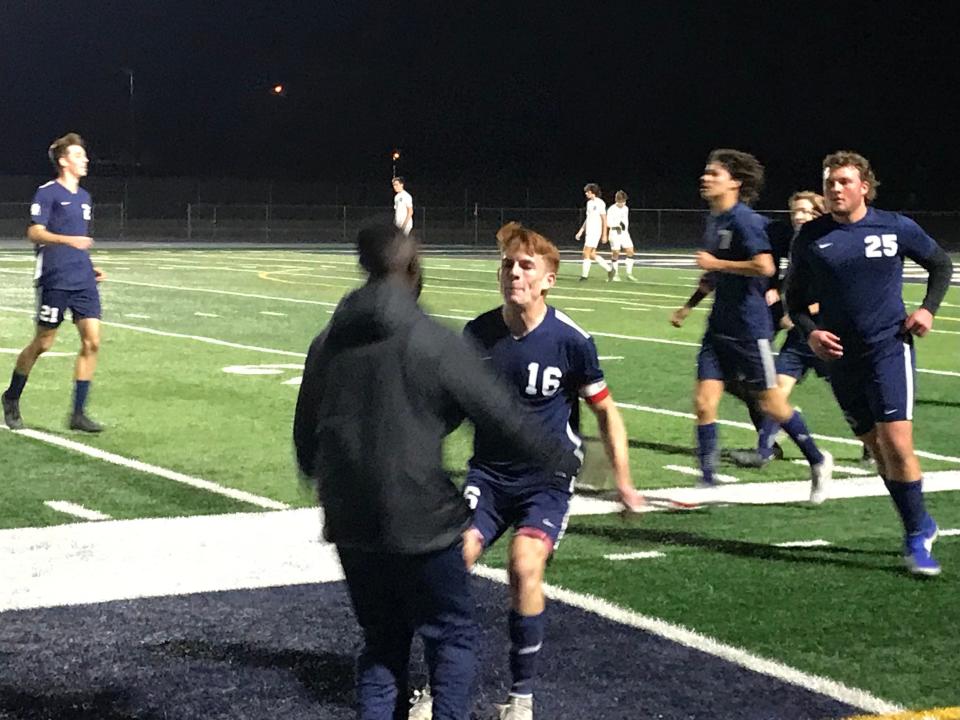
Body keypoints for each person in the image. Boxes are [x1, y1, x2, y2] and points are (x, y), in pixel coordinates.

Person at [293, 226, 581, 720]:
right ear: (412, 269)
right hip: (419, 518)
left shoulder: (329, 339)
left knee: (382, 645)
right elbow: (501, 416)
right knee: (452, 635)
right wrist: (566, 461)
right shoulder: (431, 339)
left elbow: (305, 440)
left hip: (350, 520)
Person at [467, 221, 642, 720]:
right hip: (488, 477)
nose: (514, 273)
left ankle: (519, 698)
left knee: (524, 567)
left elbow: (607, 411)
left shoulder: (571, 342)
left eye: (526, 266)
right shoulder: (477, 334)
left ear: (549, 280)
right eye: (507, 265)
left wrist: (623, 481)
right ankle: (440, 683)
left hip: (545, 483)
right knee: (450, 563)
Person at [785, 151, 954, 576]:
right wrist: (811, 332)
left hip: (889, 347)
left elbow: (939, 263)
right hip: (841, 358)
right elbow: (795, 299)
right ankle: (919, 521)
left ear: (864, 187)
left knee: (897, 443)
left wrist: (928, 309)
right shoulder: (811, 238)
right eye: (830, 182)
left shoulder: (894, 227)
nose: (836, 189)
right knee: (876, 448)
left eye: (844, 181)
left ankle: (917, 536)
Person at [693, 149, 832, 503]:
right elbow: (717, 270)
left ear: (735, 182)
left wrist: (718, 264)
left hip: (748, 328)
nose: (706, 178)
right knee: (704, 403)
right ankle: (707, 483)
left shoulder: (746, 221)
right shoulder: (716, 218)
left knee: (772, 405)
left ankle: (817, 459)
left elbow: (765, 266)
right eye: (706, 173)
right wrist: (697, 294)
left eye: (714, 174)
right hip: (717, 328)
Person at [2, 132, 105, 433]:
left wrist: (89, 266)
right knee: (44, 342)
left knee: (92, 341)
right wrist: (67, 241)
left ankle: (78, 413)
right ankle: (11, 396)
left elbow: (79, 243)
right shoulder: (47, 193)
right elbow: (35, 232)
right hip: (55, 278)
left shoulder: (85, 198)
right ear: (63, 161)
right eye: (78, 155)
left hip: (82, 279)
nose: (84, 159)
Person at [574, 183, 613, 281]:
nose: (586, 194)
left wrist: (605, 234)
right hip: (589, 231)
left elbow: (604, 219)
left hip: (595, 231)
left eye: (587, 192)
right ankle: (610, 270)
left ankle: (584, 276)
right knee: (591, 254)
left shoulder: (600, 203)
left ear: (593, 192)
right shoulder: (589, 203)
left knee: (585, 252)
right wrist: (581, 230)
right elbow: (588, 218)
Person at [605, 190, 637, 282]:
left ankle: (629, 274)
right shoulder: (611, 209)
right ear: (617, 200)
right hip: (615, 233)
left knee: (630, 251)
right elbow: (608, 223)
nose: (623, 203)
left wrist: (624, 227)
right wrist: (616, 225)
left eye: (624, 201)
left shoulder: (626, 208)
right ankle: (615, 274)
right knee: (616, 253)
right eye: (621, 201)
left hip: (624, 233)